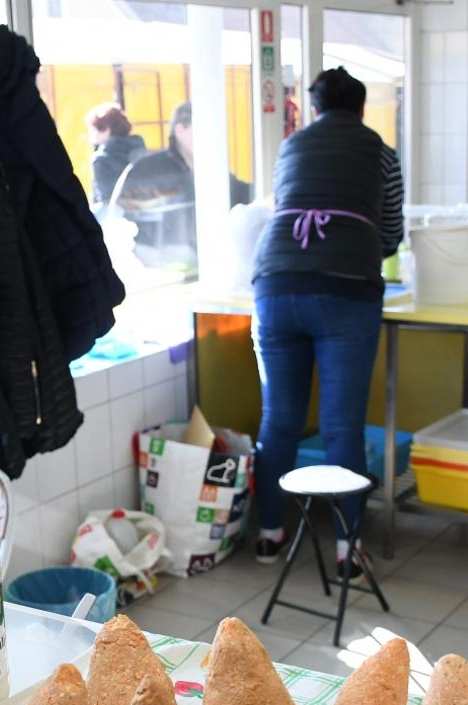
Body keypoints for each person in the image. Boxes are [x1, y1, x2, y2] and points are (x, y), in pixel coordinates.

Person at [248, 67, 404, 578]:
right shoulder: (379, 151)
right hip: (345, 290)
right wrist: (362, 249)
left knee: (279, 422)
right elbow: (390, 231)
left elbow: (287, 206)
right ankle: (346, 549)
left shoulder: (291, 147)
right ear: (361, 109)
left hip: (275, 283)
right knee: (341, 428)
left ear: (314, 109)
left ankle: (270, 534)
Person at [113, 102, 250, 270]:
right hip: (159, 266)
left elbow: (238, 193)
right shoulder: (148, 170)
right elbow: (125, 219)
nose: (210, 136)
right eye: (202, 129)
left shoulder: (209, 166)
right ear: (180, 130)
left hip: (203, 261)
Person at [85, 102, 145, 209]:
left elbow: (105, 199)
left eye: (94, 129)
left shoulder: (101, 159)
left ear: (106, 129)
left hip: (115, 217)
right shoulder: (139, 147)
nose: (91, 134)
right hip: (147, 212)